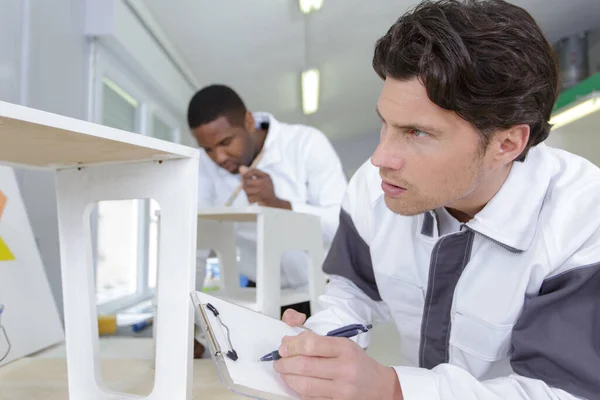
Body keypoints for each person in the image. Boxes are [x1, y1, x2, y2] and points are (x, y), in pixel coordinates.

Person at [272, 1, 600, 399]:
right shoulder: (374, 188)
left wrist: (391, 388)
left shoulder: (583, 220)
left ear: (507, 143)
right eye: (385, 124)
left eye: (417, 133)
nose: (380, 159)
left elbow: (558, 391)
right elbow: (353, 293)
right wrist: (317, 345)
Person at [188, 84, 347, 315]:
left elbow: (342, 226)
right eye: (208, 149)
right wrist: (188, 324)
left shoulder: (306, 143)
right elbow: (196, 244)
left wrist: (279, 205)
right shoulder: (205, 168)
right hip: (259, 296)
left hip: (324, 290)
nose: (219, 157)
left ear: (249, 121)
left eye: (225, 142)